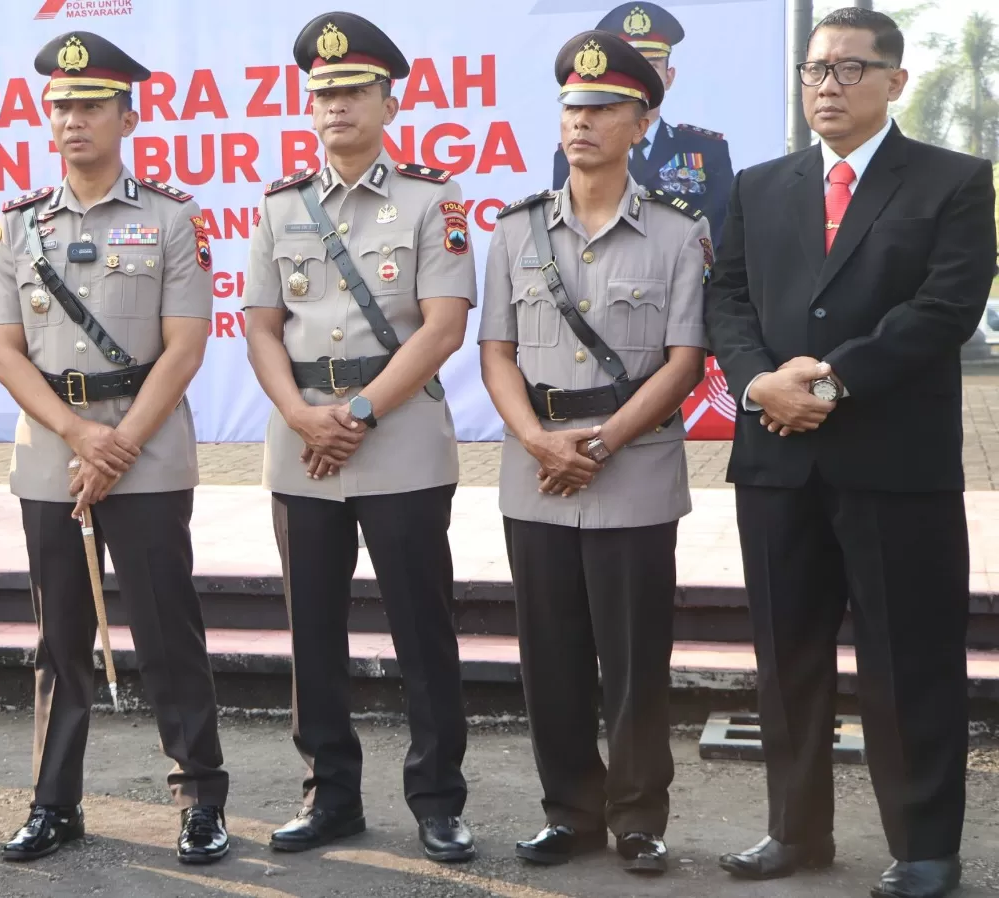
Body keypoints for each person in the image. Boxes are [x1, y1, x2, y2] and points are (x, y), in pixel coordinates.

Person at [705, 9, 996, 898]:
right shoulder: (761, 185)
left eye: (847, 69)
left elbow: (944, 310)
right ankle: (795, 832)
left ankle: (925, 847)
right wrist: (760, 384)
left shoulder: (953, 181)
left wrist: (824, 388)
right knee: (785, 657)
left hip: (894, 467)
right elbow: (728, 299)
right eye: (814, 69)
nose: (825, 86)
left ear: (895, 81)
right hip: (776, 462)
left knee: (908, 661)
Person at [0, 31, 230, 866]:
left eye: (91, 105)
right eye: (60, 106)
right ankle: (53, 802)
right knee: (59, 639)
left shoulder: (172, 217)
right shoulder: (19, 224)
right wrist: (78, 435)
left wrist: (116, 443)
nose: (73, 119)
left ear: (128, 117)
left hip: (146, 449)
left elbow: (185, 347)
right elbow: (6, 352)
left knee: (167, 632)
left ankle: (199, 799)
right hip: (53, 452)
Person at [242, 11, 477, 864]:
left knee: (422, 632)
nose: (335, 105)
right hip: (302, 446)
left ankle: (438, 801)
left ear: (389, 101)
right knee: (313, 634)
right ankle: (329, 796)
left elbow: (443, 326)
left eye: (352, 90)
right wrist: (302, 415)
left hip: (400, 440)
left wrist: (361, 413)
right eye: (323, 93)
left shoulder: (433, 199)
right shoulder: (280, 206)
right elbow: (260, 326)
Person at [480, 30, 710, 876]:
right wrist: (537, 440)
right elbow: (495, 352)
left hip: (634, 470)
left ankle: (639, 818)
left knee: (636, 660)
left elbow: (685, 361)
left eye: (604, 108)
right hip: (537, 472)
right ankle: (570, 813)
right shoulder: (515, 230)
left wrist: (605, 440)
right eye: (572, 107)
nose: (582, 121)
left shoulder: (678, 234)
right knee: (551, 658)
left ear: (641, 124)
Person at [549, 2, 733, 243]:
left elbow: (721, 237)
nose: (641, 78)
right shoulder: (577, 149)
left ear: (669, 77)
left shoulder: (707, 149)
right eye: (631, 69)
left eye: (652, 65)